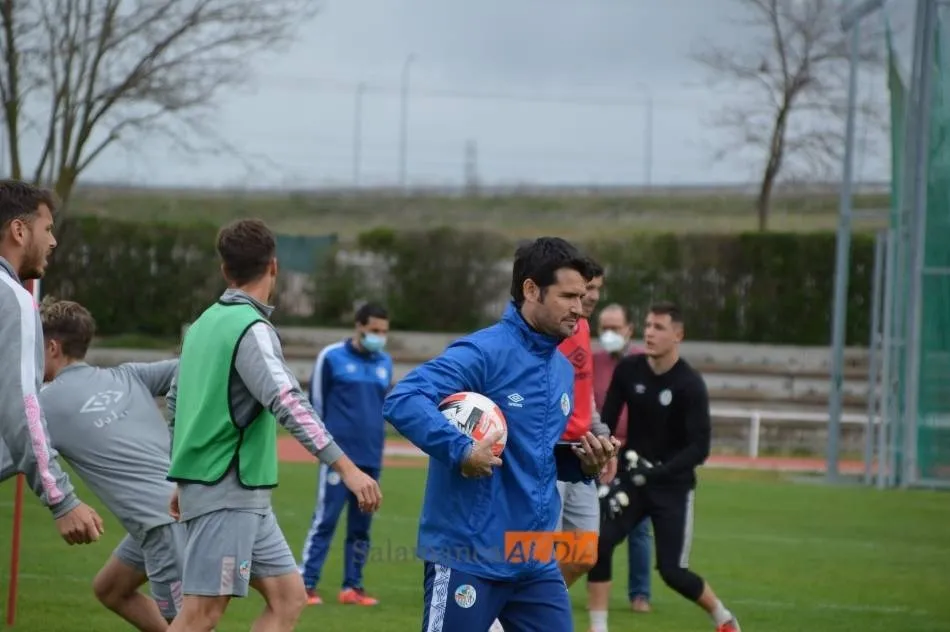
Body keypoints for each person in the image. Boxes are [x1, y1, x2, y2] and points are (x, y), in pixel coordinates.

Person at [382, 236, 619, 632]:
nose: (579, 309)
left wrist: (583, 465)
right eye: (568, 296)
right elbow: (403, 399)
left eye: (583, 296)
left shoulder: (560, 369)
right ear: (531, 289)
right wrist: (461, 450)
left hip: (534, 558)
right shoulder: (483, 352)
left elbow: (534, 454)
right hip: (469, 554)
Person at [164, 218, 383, 632]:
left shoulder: (203, 324)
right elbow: (289, 402)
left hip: (241, 494)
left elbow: (176, 403)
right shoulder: (252, 328)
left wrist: (182, 475)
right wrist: (347, 468)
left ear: (224, 270)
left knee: (290, 599)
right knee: (202, 614)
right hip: (226, 490)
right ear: (274, 267)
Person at [588, 302, 741, 632]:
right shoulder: (628, 370)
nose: (649, 333)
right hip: (632, 479)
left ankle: (724, 618)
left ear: (678, 334)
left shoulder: (690, 384)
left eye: (658, 327)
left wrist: (657, 472)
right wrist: (607, 452)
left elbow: (700, 448)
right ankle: (597, 627)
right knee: (598, 545)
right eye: (647, 325)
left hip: (672, 486)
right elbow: (608, 421)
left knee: (672, 572)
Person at [39, 297, 183, 631]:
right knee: (111, 588)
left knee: (192, 627)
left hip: (164, 529)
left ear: (52, 346)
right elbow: (195, 367)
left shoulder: (43, 405)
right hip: (179, 507)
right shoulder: (127, 376)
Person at [0, 179, 104, 545]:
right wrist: (60, 498)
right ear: (18, 230)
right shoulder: (12, 299)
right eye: (46, 229)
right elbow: (21, 408)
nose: (53, 241)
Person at [298, 301, 393, 606]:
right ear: (359, 326)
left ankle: (352, 587)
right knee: (325, 521)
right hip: (339, 460)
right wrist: (323, 450)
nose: (379, 336)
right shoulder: (331, 357)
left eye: (384, 331)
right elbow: (315, 404)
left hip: (371, 458)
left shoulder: (385, 362)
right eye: (374, 330)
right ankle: (306, 584)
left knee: (361, 528)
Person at [591, 303, 652, 615]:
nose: (609, 334)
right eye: (604, 327)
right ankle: (583, 589)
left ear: (630, 329)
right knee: (592, 524)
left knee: (638, 528)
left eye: (616, 327)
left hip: (635, 455)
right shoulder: (591, 361)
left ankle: (640, 594)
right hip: (598, 452)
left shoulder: (645, 362)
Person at [553, 258, 611, 589]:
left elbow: (583, 394)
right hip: (553, 453)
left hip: (582, 453)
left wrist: (601, 434)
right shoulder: (553, 330)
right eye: (586, 288)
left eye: (596, 289)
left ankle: (523, 614)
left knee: (583, 555)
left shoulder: (584, 327)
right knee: (539, 552)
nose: (591, 296)